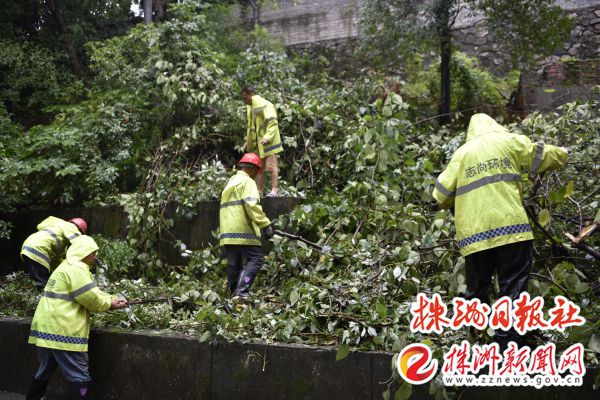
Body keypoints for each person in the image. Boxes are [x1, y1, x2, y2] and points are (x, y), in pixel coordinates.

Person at [432, 113, 568, 349]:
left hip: (475, 237)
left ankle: (476, 344)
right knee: (512, 290)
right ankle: (508, 348)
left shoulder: (462, 154)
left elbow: (441, 194)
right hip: (512, 230)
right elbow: (543, 154)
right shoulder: (510, 142)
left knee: (477, 291)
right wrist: (564, 153)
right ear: (495, 125)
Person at [25, 235, 128, 400]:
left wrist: (111, 298)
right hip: (63, 330)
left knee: (44, 369)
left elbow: (91, 292)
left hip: (46, 329)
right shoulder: (77, 269)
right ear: (83, 252)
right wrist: (110, 304)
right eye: (93, 253)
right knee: (80, 376)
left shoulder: (65, 266)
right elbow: (90, 297)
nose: (95, 257)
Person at [219, 153, 274, 302]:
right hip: (242, 230)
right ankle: (242, 292)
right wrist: (265, 224)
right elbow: (251, 205)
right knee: (256, 258)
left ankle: (232, 295)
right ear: (254, 170)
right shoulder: (247, 182)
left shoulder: (231, 181)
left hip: (227, 232)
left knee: (234, 263)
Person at [21, 216, 88, 289]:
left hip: (28, 247)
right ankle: (44, 297)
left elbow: (56, 262)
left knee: (42, 279)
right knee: (43, 284)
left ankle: (40, 294)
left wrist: (69, 270)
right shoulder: (70, 226)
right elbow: (80, 242)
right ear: (78, 229)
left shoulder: (57, 228)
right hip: (39, 249)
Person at [241, 86, 283, 197]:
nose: (245, 101)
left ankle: (274, 190)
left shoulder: (266, 105)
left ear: (251, 95)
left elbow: (273, 123)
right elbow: (251, 127)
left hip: (269, 142)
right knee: (258, 168)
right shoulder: (251, 107)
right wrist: (247, 141)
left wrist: (267, 137)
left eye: (245, 98)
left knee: (272, 166)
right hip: (258, 144)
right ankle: (259, 191)